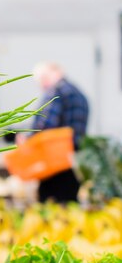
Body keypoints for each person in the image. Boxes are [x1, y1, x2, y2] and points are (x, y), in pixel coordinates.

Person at [31, 62, 89, 203]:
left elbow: (46, 126)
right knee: (69, 209)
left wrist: (25, 137)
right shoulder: (79, 94)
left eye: (42, 80)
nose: (43, 86)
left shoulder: (57, 91)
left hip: (54, 166)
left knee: (50, 210)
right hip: (72, 164)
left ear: (49, 75)